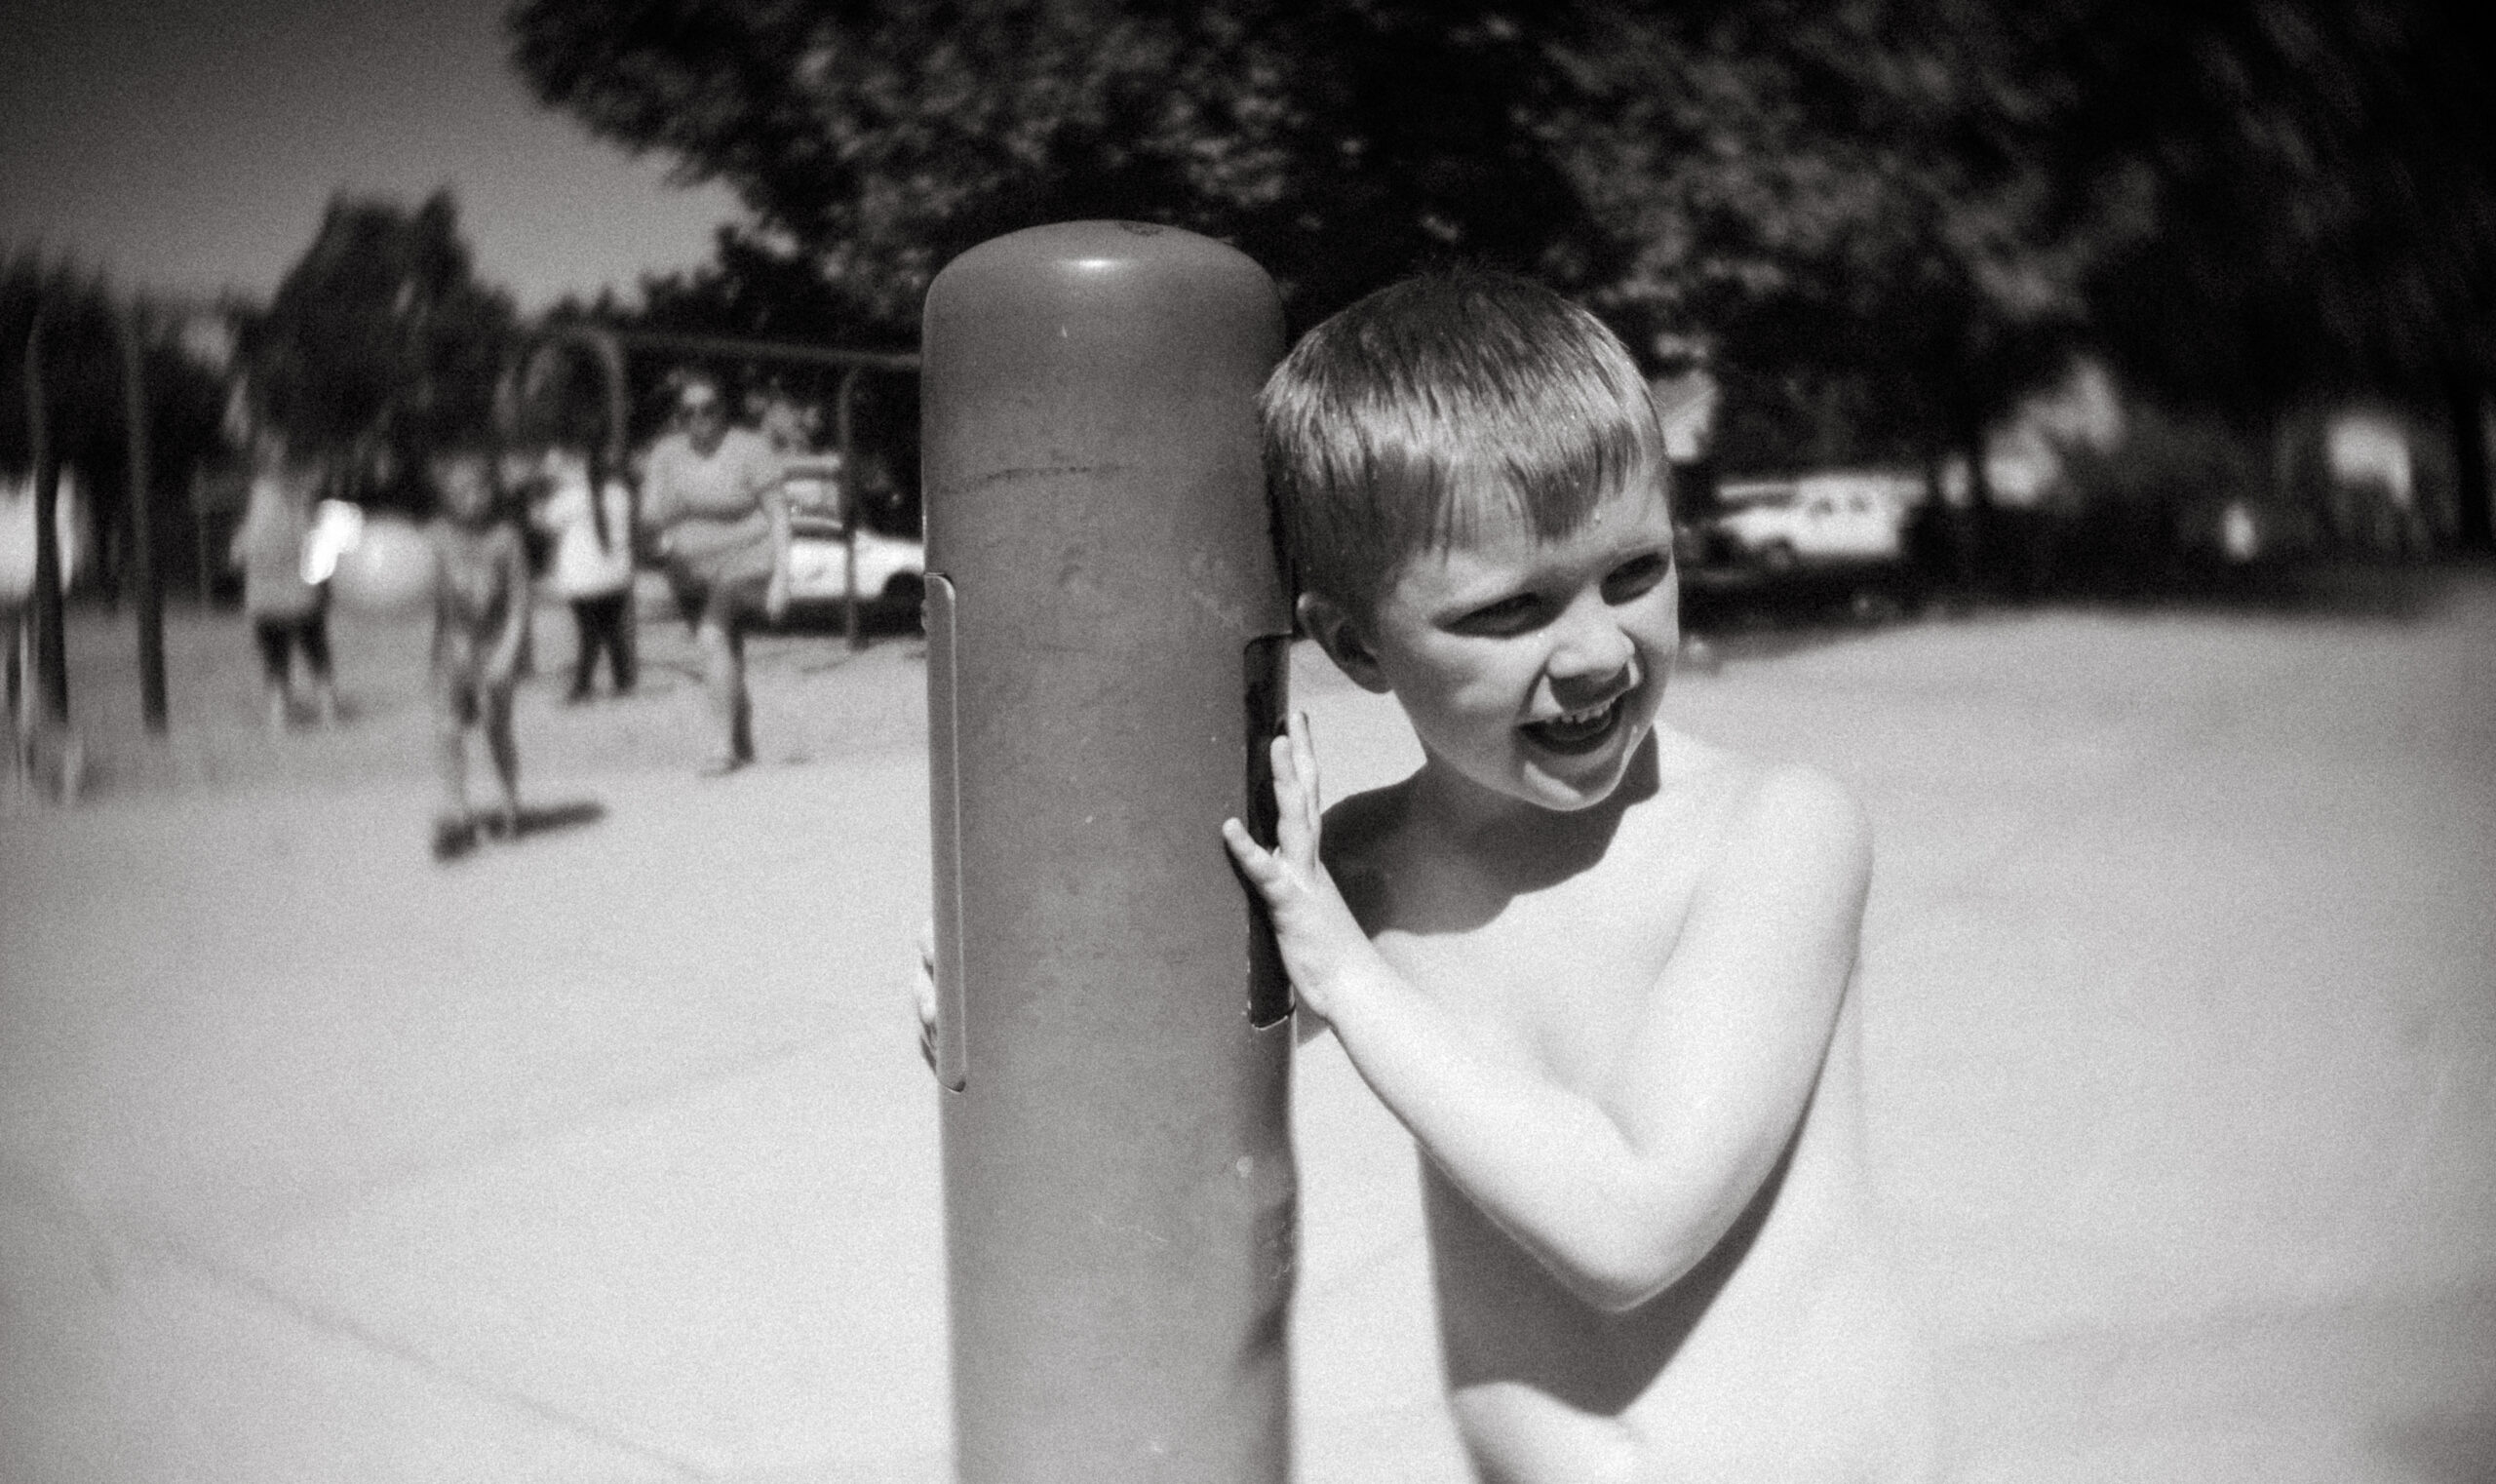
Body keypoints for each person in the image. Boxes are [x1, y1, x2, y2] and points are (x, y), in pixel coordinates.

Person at [1215, 270, 1938, 1480]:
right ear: (1353, 645)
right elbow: (1151, 1063)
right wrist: (996, 1000)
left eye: (1636, 571)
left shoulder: (1773, 834)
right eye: (1512, 611)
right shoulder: (1360, 877)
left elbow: (1632, 1222)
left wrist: (1341, 969)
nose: (1598, 649)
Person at [638, 371, 790, 773]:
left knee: (711, 636)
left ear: (724, 410)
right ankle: (742, 744)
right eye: (688, 411)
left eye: (708, 408)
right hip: (690, 570)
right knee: (723, 652)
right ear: (678, 416)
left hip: (749, 558)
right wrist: (671, 518)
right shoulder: (666, 454)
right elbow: (650, 515)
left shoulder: (750, 449)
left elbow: (777, 515)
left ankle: (723, 748)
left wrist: (782, 580)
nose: (699, 417)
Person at [425, 444, 530, 861]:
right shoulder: (434, 537)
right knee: (448, 730)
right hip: (449, 651)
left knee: (496, 730)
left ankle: (510, 804)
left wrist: (508, 652)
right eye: (463, 490)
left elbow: (521, 603)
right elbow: (413, 589)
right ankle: (458, 812)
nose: (474, 498)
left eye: (482, 489)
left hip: (493, 648)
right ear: (448, 495)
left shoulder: (507, 539)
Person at [227, 441, 338, 731]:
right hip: (303, 594)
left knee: (275, 655)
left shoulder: (252, 504)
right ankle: (328, 710)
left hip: (265, 597)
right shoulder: (303, 501)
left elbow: (237, 554)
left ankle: (279, 715)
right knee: (316, 649)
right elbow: (320, 547)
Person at [528, 445, 637, 702]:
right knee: (611, 627)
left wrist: (540, 497)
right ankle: (623, 677)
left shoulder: (569, 498)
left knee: (589, 631)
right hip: (617, 572)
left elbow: (544, 524)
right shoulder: (620, 494)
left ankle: (583, 684)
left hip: (582, 577)